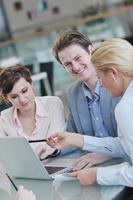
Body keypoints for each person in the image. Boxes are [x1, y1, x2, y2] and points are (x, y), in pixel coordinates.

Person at [48, 38, 133, 187]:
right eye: (67, 64)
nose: (100, 83)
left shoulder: (124, 105)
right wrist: (73, 139)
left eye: (100, 77)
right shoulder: (73, 93)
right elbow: (124, 143)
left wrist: (98, 175)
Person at [52, 30, 120, 169]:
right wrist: (54, 149)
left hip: (122, 162)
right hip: (93, 165)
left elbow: (128, 140)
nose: (75, 67)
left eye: (78, 58)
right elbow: (73, 137)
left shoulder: (116, 82)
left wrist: (105, 154)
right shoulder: (73, 93)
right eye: (68, 64)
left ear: (91, 51)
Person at [0, 65, 66, 159]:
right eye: (14, 97)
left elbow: (57, 143)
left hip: (54, 163)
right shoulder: (5, 118)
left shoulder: (53, 104)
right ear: (7, 98)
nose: (22, 100)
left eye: (24, 91)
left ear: (31, 84)